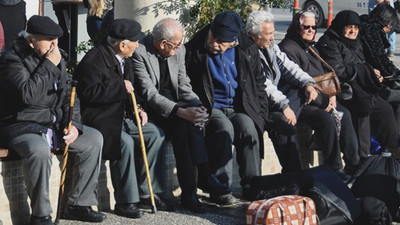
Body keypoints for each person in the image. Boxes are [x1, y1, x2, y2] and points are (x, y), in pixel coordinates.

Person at [0, 15, 105, 225]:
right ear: (31, 39)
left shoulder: (56, 57)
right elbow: (26, 95)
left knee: (93, 140)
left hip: (52, 123)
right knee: (38, 150)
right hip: (20, 124)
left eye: (56, 40)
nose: (54, 46)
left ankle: (79, 204)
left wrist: (73, 125)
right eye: (49, 40)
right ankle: (41, 215)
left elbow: (68, 96)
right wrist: (48, 64)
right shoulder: (12, 58)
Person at [74, 18, 175, 218]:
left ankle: (148, 191)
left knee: (155, 134)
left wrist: (137, 107)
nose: (138, 45)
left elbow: (131, 91)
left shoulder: (126, 59)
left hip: (122, 115)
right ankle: (126, 201)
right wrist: (119, 87)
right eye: (134, 41)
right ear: (122, 44)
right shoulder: (94, 59)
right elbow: (89, 93)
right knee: (125, 143)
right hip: (100, 119)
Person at [132, 18, 231, 211]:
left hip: (178, 106)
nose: (179, 48)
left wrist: (198, 107)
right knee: (184, 124)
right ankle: (197, 183)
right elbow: (149, 93)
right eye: (175, 45)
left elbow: (184, 84)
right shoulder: (140, 52)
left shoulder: (179, 50)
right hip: (152, 109)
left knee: (189, 124)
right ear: (162, 43)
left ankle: (191, 191)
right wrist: (180, 112)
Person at [185, 11, 270, 199]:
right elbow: (186, 85)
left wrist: (261, 114)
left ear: (233, 41)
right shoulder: (194, 49)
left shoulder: (247, 48)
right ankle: (220, 189)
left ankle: (252, 186)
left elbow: (259, 83)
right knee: (224, 128)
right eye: (213, 36)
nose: (214, 42)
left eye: (221, 41)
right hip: (210, 106)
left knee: (249, 128)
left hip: (239, 107)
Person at [278, 11, 361, 174]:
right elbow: (297, 84)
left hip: (321, 97)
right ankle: (335, 167)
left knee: (345, 114)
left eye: (314, 27)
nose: (311, 30)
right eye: (306, 27)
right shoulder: (288, 48)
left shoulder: (310, 47)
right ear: (297, 27)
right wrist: (324, 101)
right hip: (301, 101)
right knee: (326, 120)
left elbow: (323, 75)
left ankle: (354, 163)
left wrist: (332, 96)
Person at [316, 10, 400, 159]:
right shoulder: (330, 42)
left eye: (356, 28)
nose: (353, 31)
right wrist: (367, 71)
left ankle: (392, 150)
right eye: (349, 27)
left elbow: (361, 62)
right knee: (364, 107)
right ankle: (362, 157)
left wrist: (373, 74)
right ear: (341, 26)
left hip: (360, 85)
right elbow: (338, 70)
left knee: (384, 108)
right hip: (344, 88)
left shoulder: (355, 42)